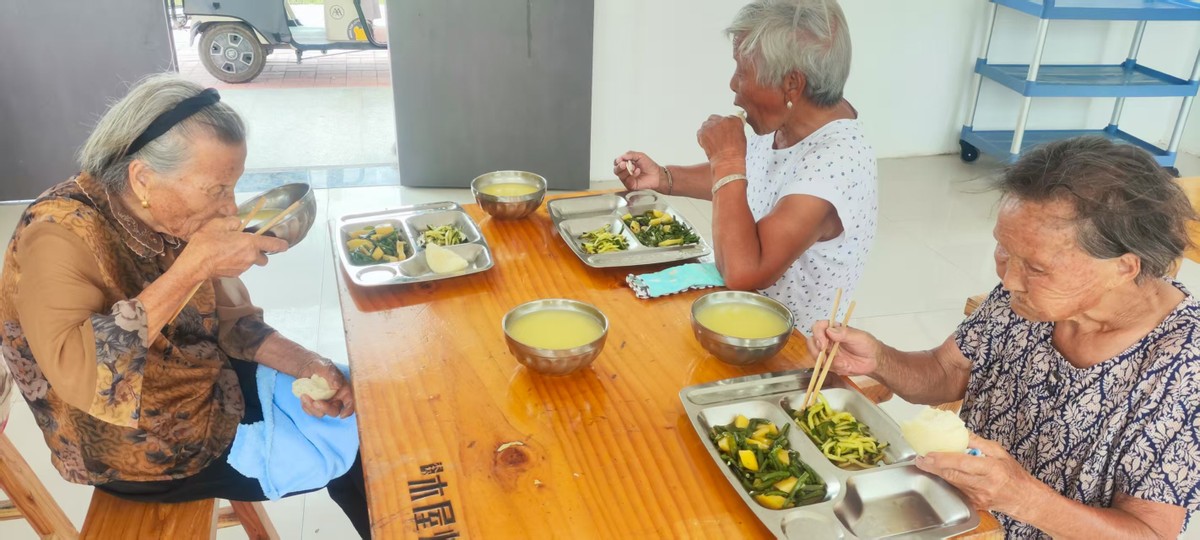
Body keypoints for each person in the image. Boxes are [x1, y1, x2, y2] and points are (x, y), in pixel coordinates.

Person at [0, 74, 371, 538]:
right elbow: (82, 376)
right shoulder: (57, 235)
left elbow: (233, 326)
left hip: (203, 380)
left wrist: (308, 364)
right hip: (139, 447)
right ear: (142, 178)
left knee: (366, 402)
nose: (229, 208)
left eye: (233, 187)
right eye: (216, 190)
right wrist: (192, 268)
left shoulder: (167, 215)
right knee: (366, 448)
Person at [811, 136, 1200, 539]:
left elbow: (1150, 534)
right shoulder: (1031, 298)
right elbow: (948, 371)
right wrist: (879, 359)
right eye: (1003, 249)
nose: (1009, 279)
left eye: (1036, 267)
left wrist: (1023, 499)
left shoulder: (1184, 368)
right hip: (960, 520)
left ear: (1124, 267)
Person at [614, 0, 877, 331]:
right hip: (740, 321)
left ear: (792, 84)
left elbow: (743, 272)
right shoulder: (795, 119)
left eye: (742, 71)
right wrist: (666, 178)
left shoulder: (834, 167)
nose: (733, 84)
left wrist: (726, 158)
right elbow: (754, 177)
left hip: (788, 347)